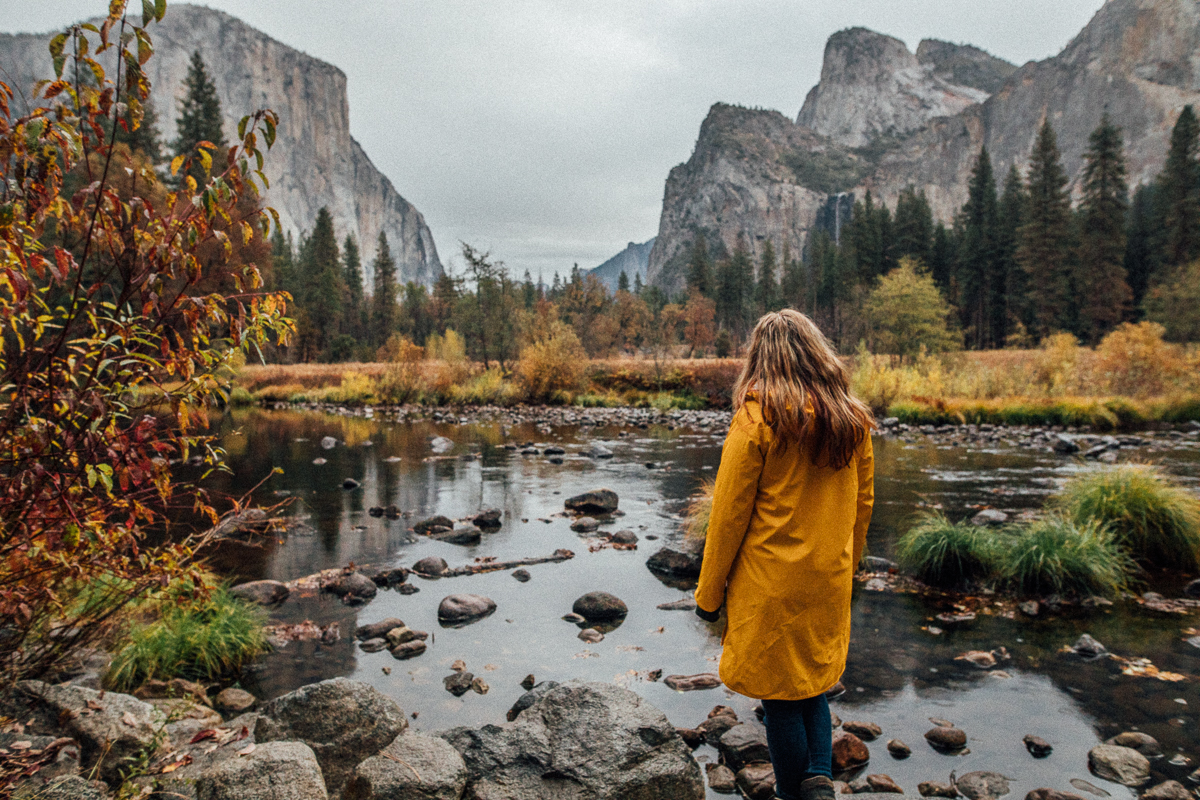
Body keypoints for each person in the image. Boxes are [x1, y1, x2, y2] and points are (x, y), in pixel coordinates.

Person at [694, 309, 875, 800]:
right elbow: (863, 505)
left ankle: (797, 793)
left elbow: (728, 517)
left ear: (760, 357)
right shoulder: (852, 420)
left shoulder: (757, 419)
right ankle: (819, 775)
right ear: (818, 352)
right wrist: (847, 567)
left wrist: (709, 595)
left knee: (778, 697)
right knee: (811, 682)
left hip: (770, 580)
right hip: (828, 577)